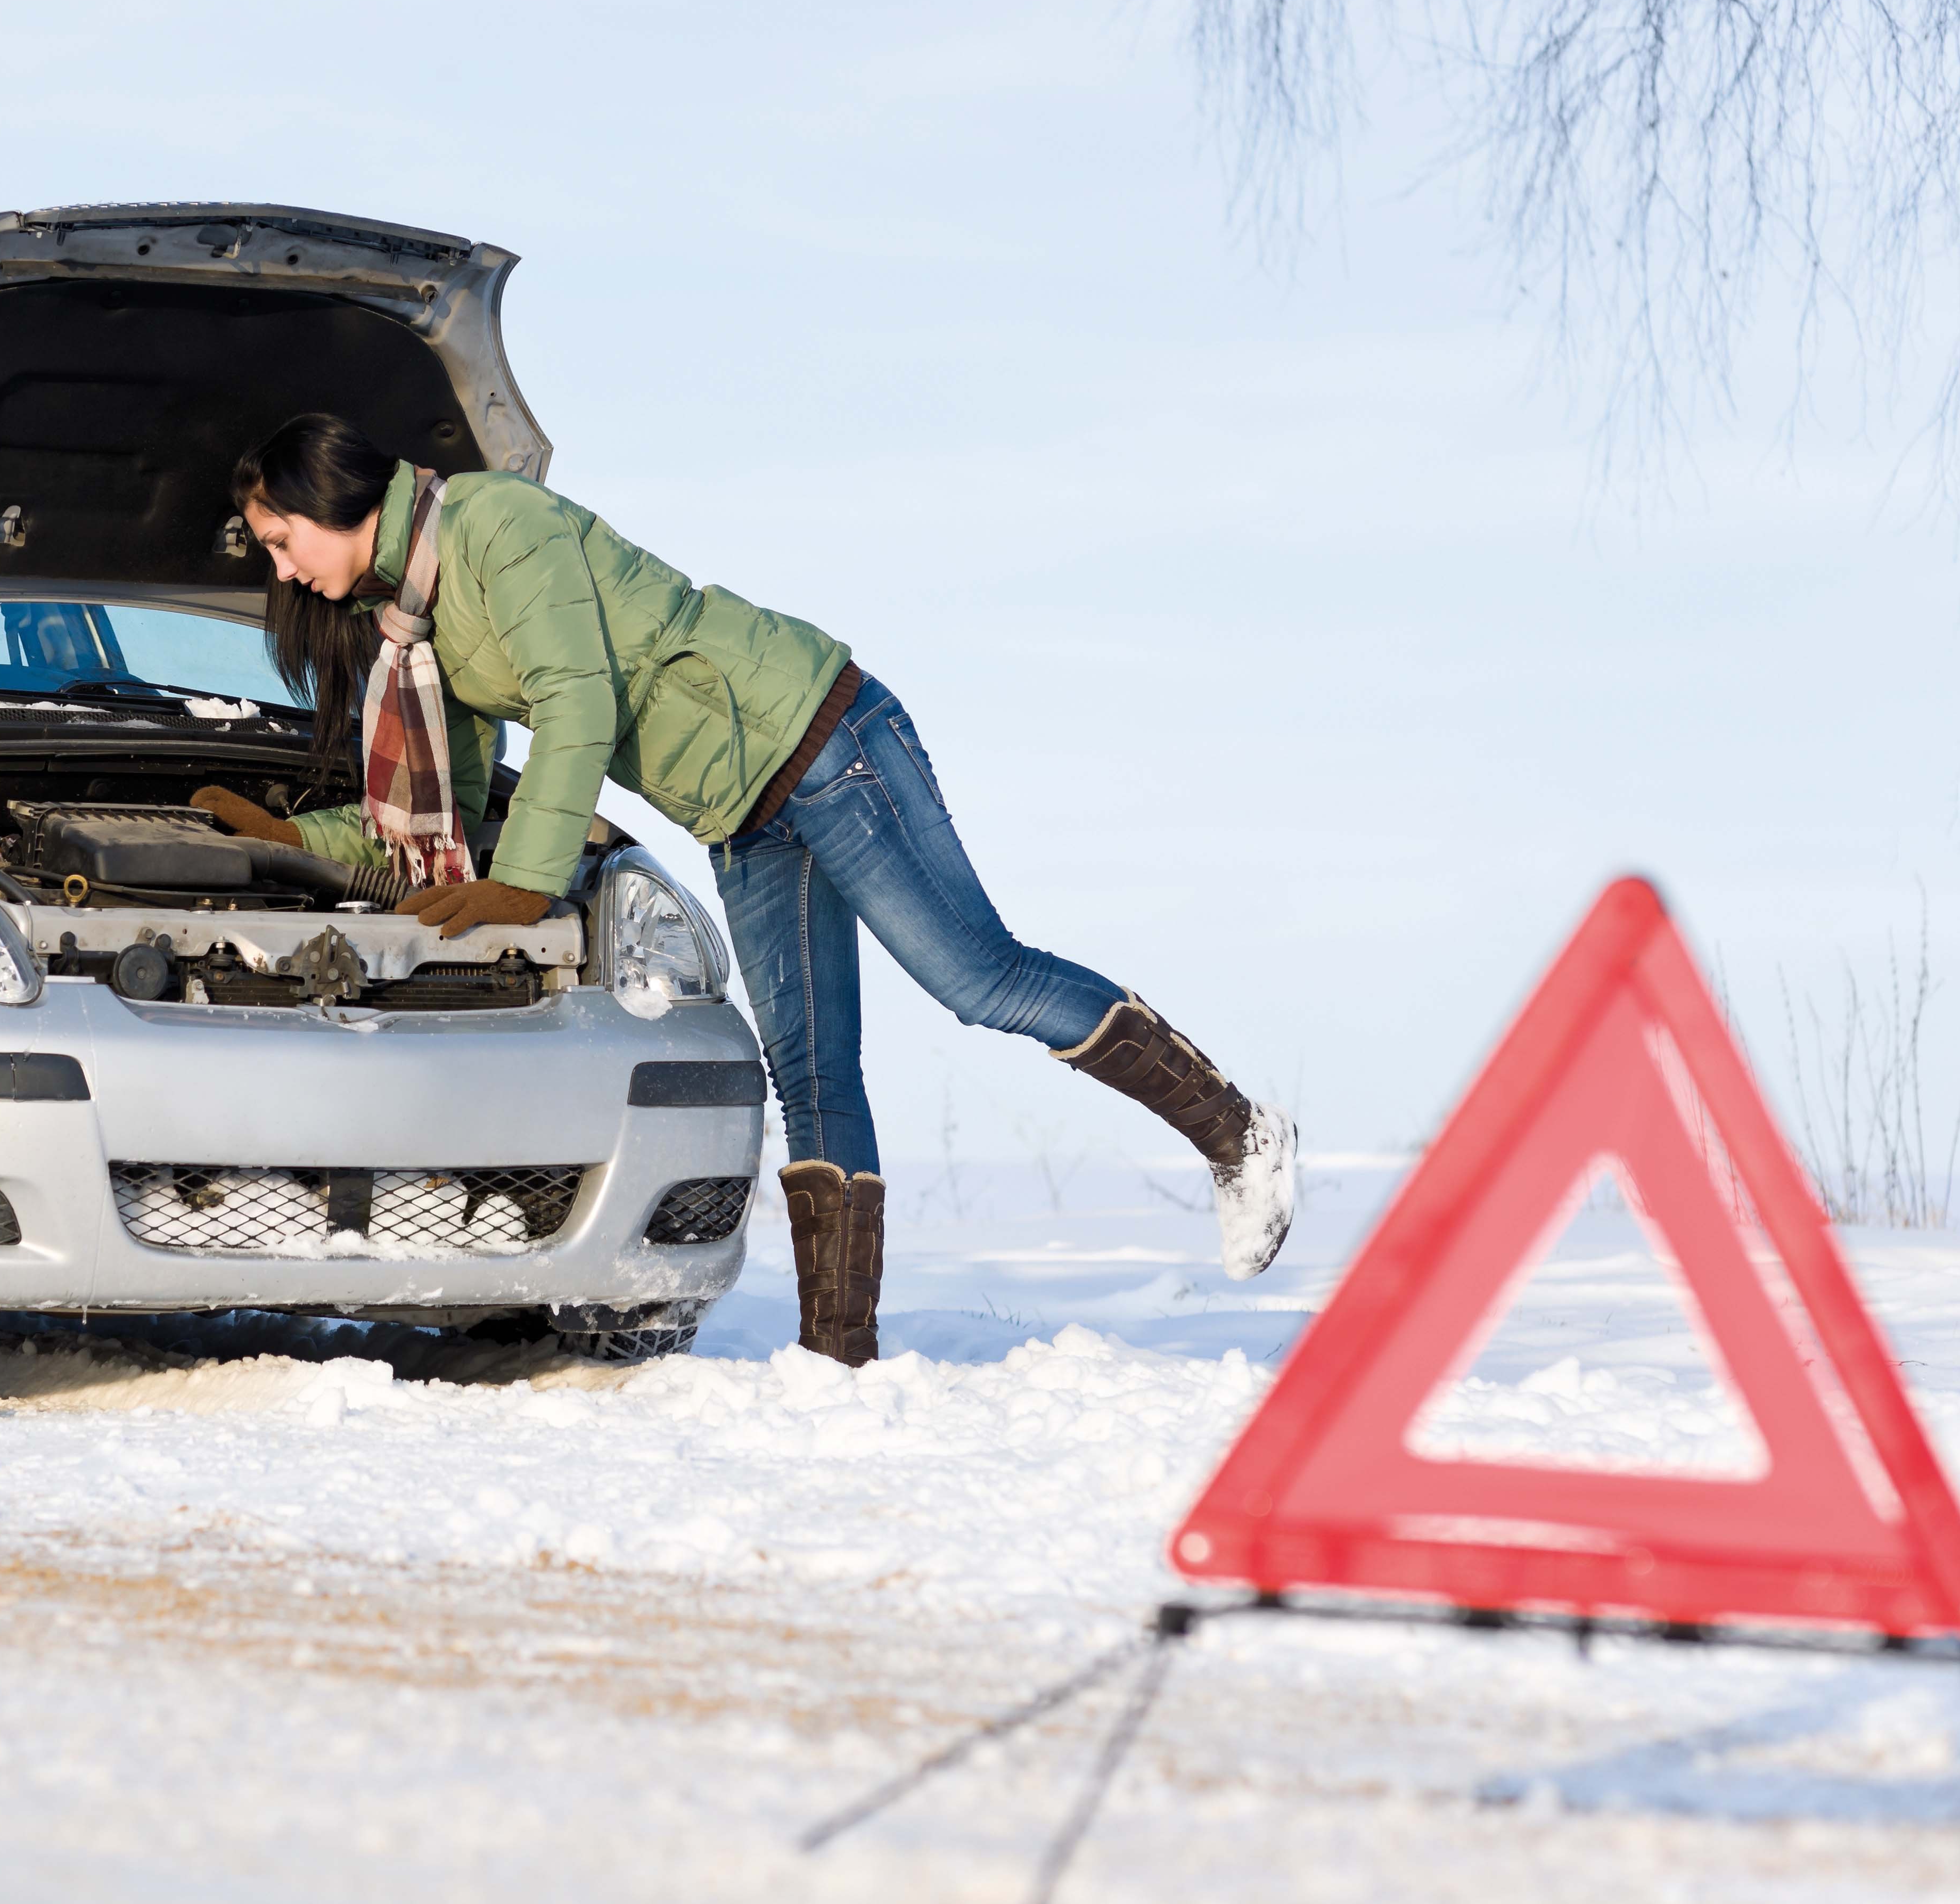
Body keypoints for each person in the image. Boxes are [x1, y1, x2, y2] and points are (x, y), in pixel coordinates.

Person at [192, 414, 1297, 1365]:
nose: (283, 569)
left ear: (328, 499)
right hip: (745, 809)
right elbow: (459, 799)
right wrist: (294, 835)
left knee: (978, 977)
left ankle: (1238, 1134)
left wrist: (528, 890)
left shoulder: (494, 526)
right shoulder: (421, 624)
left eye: (282, 542)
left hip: (822, 738)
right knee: (811, 1071)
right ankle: (840, 1358)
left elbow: (579, 702)